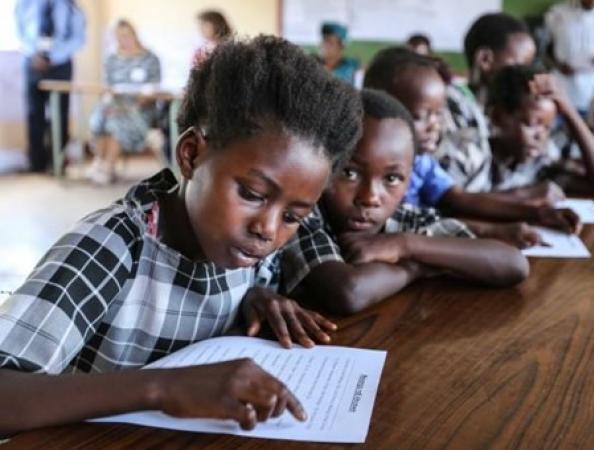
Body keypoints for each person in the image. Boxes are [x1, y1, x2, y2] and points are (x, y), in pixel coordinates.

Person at [0, 36, 363, 435]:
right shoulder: (112, 246)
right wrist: (163, 388)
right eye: (253, 194)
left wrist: (256, 297)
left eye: (293, 216)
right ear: (191, 154)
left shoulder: (239, 245)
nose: (268, 230)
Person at [280, 89, 529, 315]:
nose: (370, 198)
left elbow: (513, 264)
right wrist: (417, 267)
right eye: (350, 173)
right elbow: (349, 292)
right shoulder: (303, 217)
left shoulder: (402, 222)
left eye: (391, 178)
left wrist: (407, 244)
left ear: (409, 180)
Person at [363, 47, 585, 246]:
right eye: (422, 116)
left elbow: (459, 198)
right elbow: (400, 221)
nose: (436, 126)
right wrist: (491, 231)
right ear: (382, 108)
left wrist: (538, 213)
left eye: (438, 114)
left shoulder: (421, 162)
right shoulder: (371, 167)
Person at [437, 13, 537, 194]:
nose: (526, 77)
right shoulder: (452, 105)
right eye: (519, 66)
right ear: (485, 60)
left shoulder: (499, 109)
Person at [486, 65, 594, 192]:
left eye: (547, 128)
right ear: (498, 117)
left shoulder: (541, 162)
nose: (540, 136)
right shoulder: (477, 158)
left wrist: (568, 110)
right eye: (532, 124)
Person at [86, 20, 161, 185]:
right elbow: (107, 88)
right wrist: (111, 103)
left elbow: (153, 90)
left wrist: (128, 107)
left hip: (140, 108)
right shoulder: (111, 59)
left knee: (116, 121)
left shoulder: (150, 58)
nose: (123, 39)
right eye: (119, 36)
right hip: (115, 104)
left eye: (126, 35)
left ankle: (107, 165)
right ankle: (101, 160)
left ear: (134, 35)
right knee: (99, 117)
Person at [15, 0, 86, 173]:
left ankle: (58, 162)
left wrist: (54, 56)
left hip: (60, 64)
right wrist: (34, 54)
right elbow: (19, 31)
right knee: (34, 113)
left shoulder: (71, 6)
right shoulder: (24, 3)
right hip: (32, 62)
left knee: (60, 113)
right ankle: (36, 163)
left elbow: (78, 38)